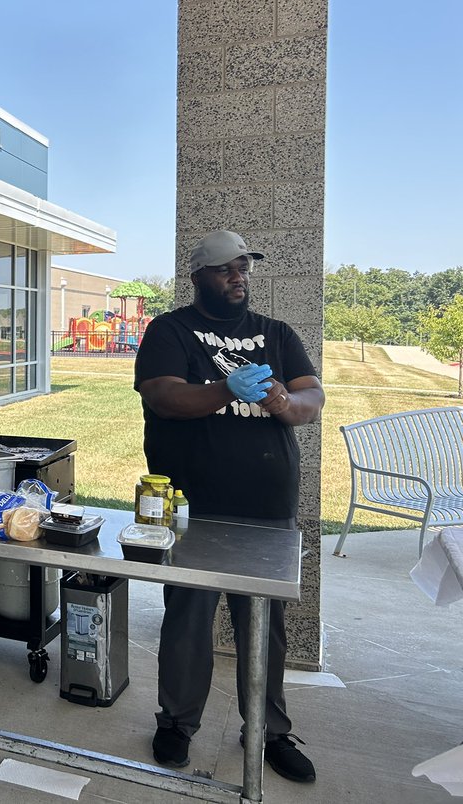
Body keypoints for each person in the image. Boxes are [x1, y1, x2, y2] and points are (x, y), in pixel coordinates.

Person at [134, 229, 325, 785]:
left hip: (268, 504)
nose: (238, 276)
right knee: (188, 619)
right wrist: (226, 389)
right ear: (198, 277)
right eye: (224, 269)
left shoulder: (276, 333)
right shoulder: (170, 330)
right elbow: (163, 395)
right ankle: (176, 722)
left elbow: (312, 397)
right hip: (196, 504)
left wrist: (286, 402)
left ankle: (269, 731)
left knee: (264, 624)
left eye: (243, 267)